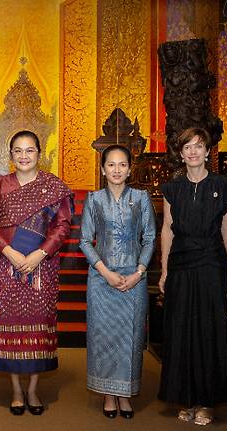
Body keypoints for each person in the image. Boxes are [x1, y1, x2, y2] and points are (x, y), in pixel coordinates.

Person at [0, 130, 73, 416]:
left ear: (39, 153)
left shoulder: (54, 186)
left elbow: (62, 226)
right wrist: (9, 252)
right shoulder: (1, 184)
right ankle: (16, 390)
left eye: (29, 150)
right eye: (18, 151)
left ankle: (32, 389)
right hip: (8, 264)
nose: (24, 156)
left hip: (42, 267)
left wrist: (39, 253)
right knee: (10, 325)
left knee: (38, 326)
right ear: (10, 155)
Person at [158, 127, 227, 426]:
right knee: (180, 330)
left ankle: (207, 402)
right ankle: (188, 399)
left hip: (211, 263)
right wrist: (164, 269)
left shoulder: (224, 185)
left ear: (207, 152)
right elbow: (167, 228)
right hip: (180, 264)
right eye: (187, 146)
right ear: (181, 153)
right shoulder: (172, 189)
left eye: (198, 146)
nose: (192, 151)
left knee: (208, 330)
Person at [80, 145, 156, 419]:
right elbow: (85, 241)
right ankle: (108, 395)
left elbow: (149, 238)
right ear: (102, 169)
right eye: (110, 165)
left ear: (129, 169)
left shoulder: (141, 198)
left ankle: (125, 394)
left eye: (122, 164)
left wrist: (139, 272)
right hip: (102, 279)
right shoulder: (94, 199)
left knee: (130, 337)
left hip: (134, 279)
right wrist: (106, 272)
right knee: (105, 336)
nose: (116, 169)